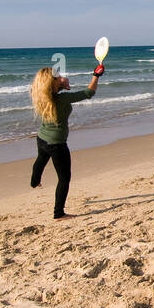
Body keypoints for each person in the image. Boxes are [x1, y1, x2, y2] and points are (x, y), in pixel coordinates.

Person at [30, 63, 102, 220]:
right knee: (64, 178)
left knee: (41, 159)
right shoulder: (62, 99)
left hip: (42, 139)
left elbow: (54, 91)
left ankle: (35, 181)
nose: (62, 77)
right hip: (57, 144)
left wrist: (63, 84)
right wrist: (95, 76)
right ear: (53, 82)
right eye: (59, 77)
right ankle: (58, 213)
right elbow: (89, 92)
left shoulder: (41, 97)